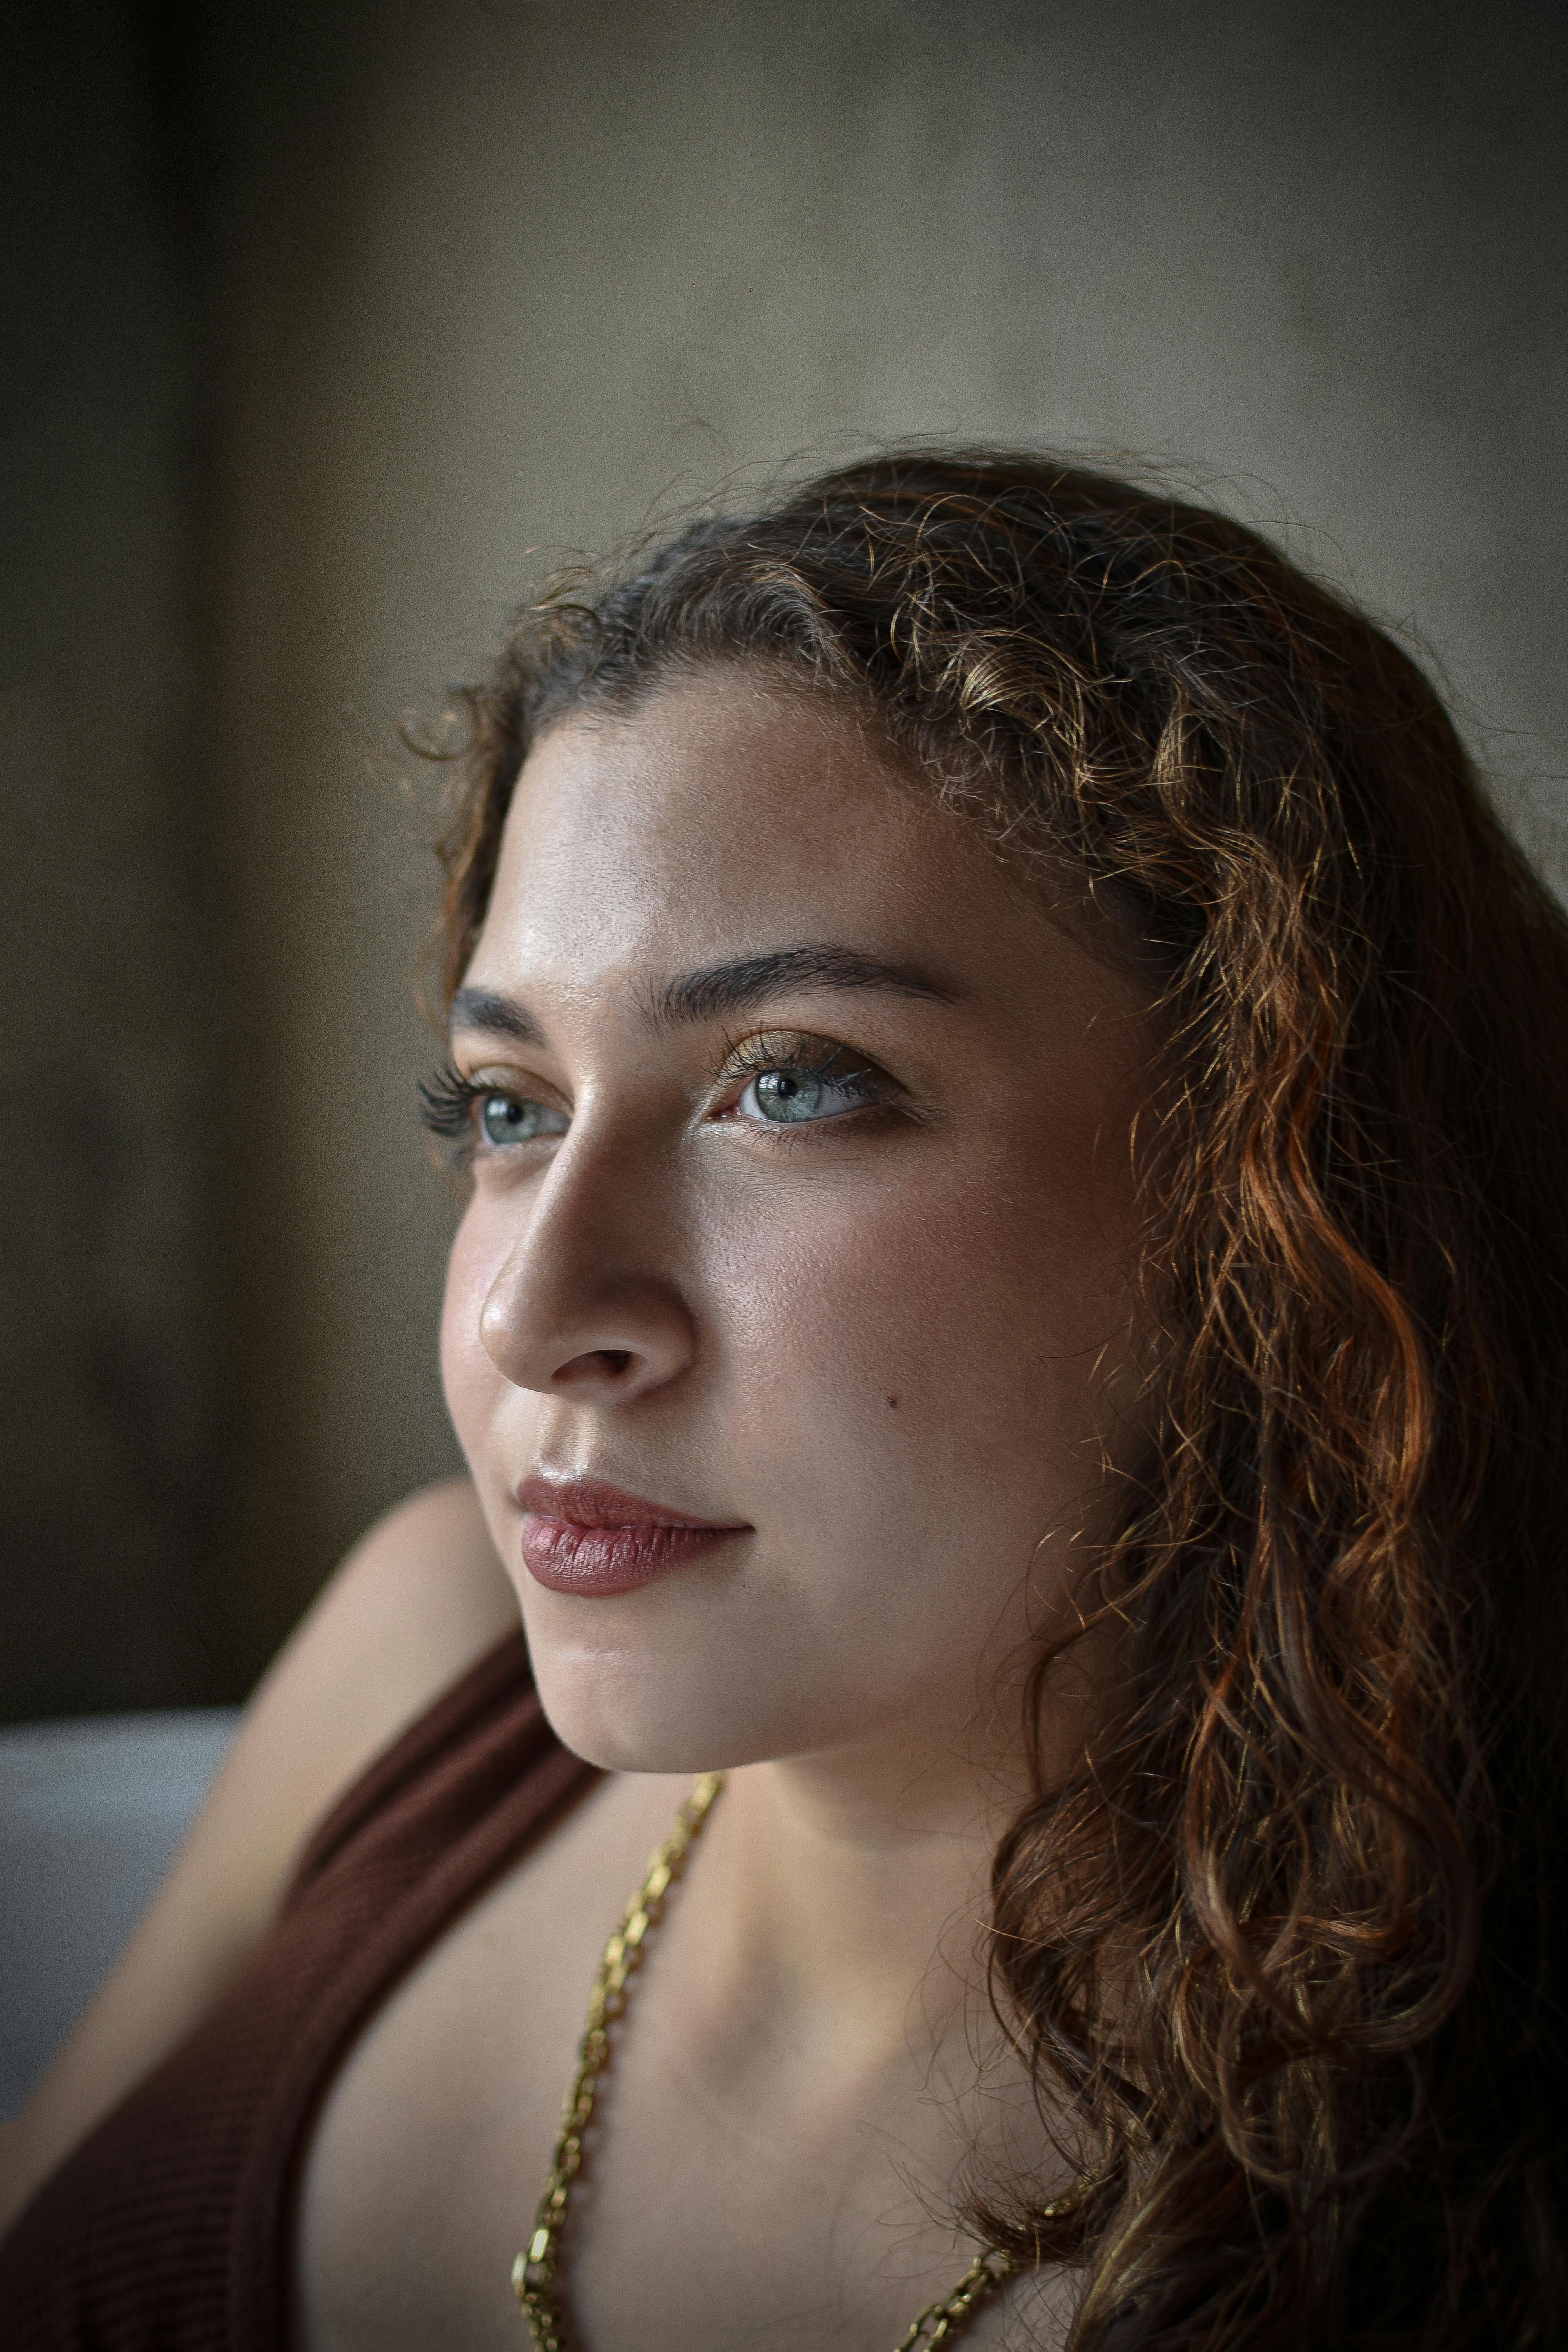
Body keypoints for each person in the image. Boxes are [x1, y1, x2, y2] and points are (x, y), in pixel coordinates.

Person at [2, 448, 1566, 2352]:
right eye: (509, 1108)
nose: (535, 1316)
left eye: (797, 1083)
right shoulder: (420, 1654)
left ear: (1277, 1198)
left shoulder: (1445, 2202)